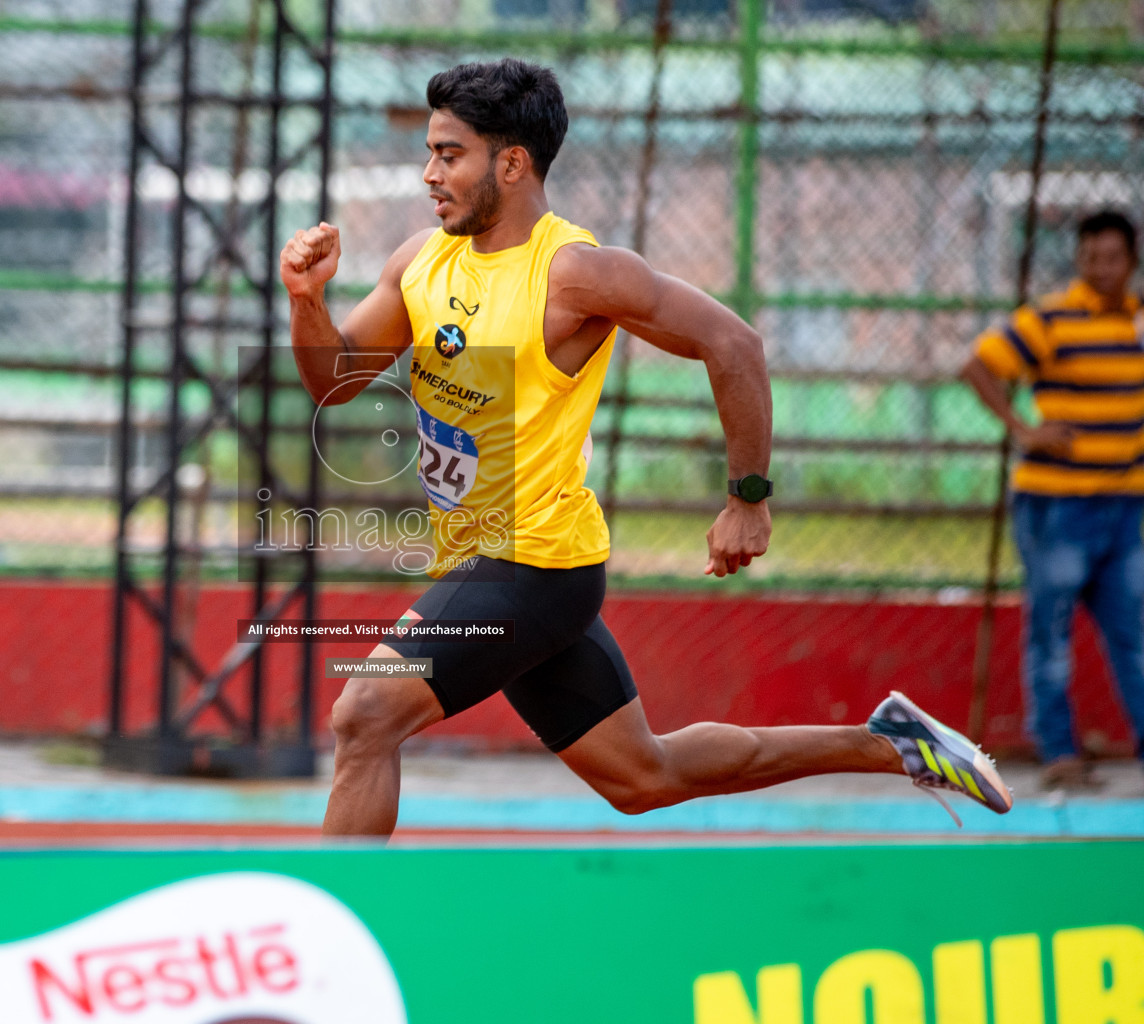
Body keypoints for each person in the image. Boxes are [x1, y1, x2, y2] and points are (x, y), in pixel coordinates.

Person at [280, 58, 1011, 836]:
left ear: (513, 162)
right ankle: (889, 744)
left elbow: (733, 343)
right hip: (479, 563)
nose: (429, 174)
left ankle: (330, 932)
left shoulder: (577, 274)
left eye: (448, 154)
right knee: (642, 775)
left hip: (534, 562)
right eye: (429, 152)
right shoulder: (420, 261)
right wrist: (308, 302)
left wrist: (747, 498)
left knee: (366, 712)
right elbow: (336, 382)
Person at [962, 209, 1144, 790]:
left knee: (1133, 633)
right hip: (1058, 507)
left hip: (1125, 507)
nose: (1101, 268)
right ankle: (1059, 752)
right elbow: (977, 366)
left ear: (1132, 261)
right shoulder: (1049, 318)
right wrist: (1024, 429)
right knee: (1051, 630)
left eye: (1112, 257)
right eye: (1091, 257)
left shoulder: (1140, 322)